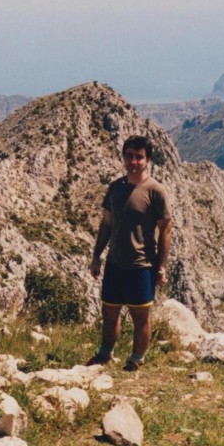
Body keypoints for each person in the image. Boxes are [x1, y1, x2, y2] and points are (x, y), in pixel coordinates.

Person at [88, 135, 173, 371]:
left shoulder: (156, 191)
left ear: (147, 160)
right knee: (109, 312)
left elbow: (165, 230)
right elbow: (106, 223)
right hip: (115, 263)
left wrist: (161, 267)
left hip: (142, 265)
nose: (133, 162)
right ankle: (104, 355)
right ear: (123, 157)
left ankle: (136, 360)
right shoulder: (116, 187)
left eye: (139, 157)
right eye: (129, 156)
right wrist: (97, 256)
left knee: (141, 317)